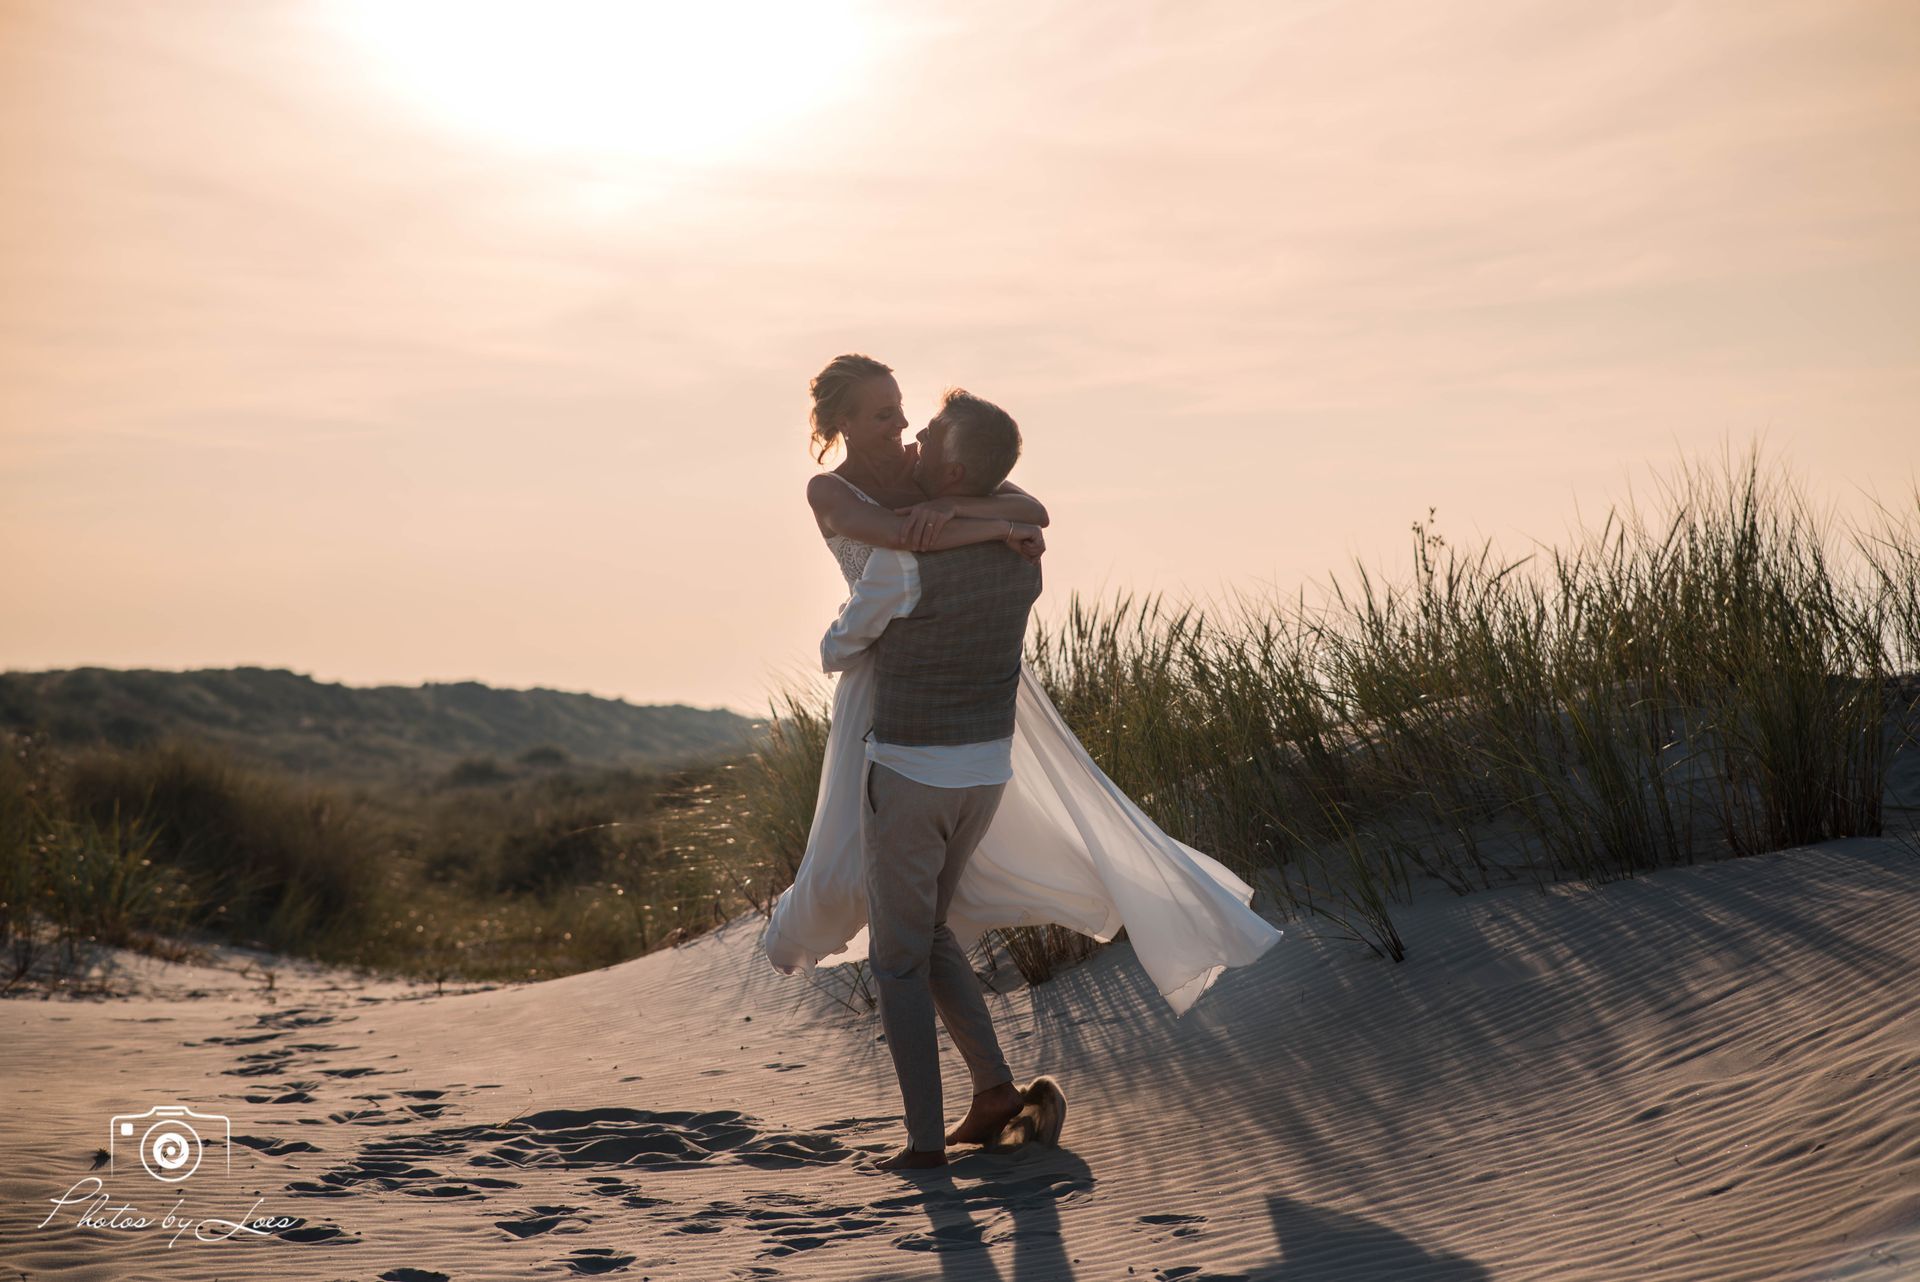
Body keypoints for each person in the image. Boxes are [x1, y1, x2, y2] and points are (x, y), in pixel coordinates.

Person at [762, 353, 1282, 1028]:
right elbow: (897, 539)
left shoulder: (931, 471)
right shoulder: (829, 492)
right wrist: (996, 525)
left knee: (961, 882)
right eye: (884, 414)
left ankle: (994, 1082)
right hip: (882, 685)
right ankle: (985, 1080)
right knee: (854, 875)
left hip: (962, 677)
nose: (901, 424)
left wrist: (974, 511)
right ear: (844, 424)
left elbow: (1034, 508)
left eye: (900, 408)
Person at [820, 388, 1042, 1169]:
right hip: (986, 771)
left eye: (930, 433)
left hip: (911, 771)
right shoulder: (1024, 562)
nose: (913, 437)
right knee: (930, 929)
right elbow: (1028, 512)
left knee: (896, 959)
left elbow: (839, 651)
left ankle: (922, 1145)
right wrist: (993, 520)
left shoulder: (901, 565)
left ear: (949, 473)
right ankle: (993, 1091)